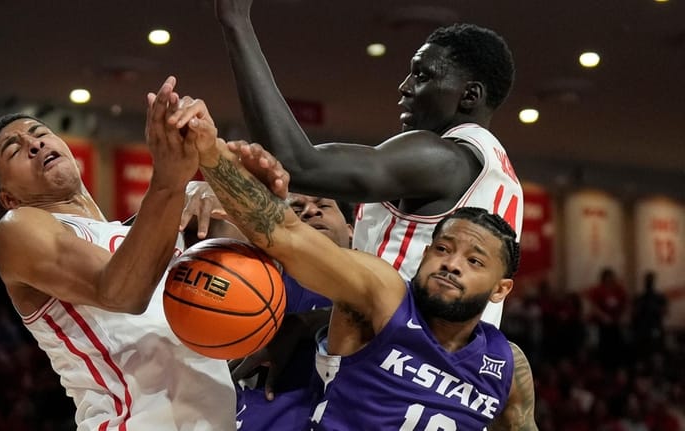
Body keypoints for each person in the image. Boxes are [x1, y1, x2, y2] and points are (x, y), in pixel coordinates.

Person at [176, 108, 537, 429]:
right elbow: (285, 233)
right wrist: (211, 154)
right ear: (425, 254)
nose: (452, 264)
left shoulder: (507, 364)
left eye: (473, 261)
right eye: (443, 249)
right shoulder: (382, 296)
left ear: (501, 289)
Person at [214, 0, 523, 328]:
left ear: (470, 96)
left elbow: (298, 162)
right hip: (440, 364)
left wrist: (236, 22)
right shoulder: (497, 169)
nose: (405, 87)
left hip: (396, 363)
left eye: (422, 75)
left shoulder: (444, 158)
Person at [0, 76, 237, 431]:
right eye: (14, 150)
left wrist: (216, 162)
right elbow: (119, 292)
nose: (33, 144)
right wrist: (170, 181)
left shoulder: (147, 229)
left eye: (39, 133)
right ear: (9, 198)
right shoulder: (17, 228)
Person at [231, 193, 352, 430]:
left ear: (350, 230)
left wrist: (302, 324)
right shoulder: (254, 280)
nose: (310, 211)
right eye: (296, 211)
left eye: (323, 205)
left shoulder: (381, 290)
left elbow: (384, 318)